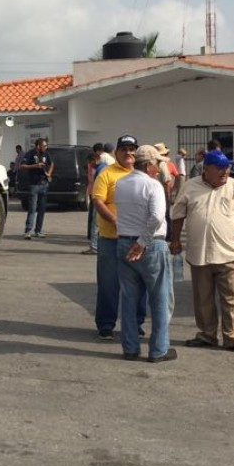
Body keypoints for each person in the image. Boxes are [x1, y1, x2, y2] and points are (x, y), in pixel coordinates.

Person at [170, 149, 234, 354]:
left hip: (228, 254)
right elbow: (177, 215)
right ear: (206, 169)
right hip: (199, 252)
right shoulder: (190, 186)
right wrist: (174, 240)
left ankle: (233, 338)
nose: (225, 171)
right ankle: (207, 335)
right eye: (220, 168)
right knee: (203, 299)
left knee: (231, 299)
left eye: (227, 167)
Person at [114, 145, 176, 362]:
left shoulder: (121, 183)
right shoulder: (153, 185)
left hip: (123, 242)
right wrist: (142, 242)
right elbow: (157, 217)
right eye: (157, 163)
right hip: (150, 245)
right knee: (160, 298)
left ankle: (130, 348)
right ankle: (159, 349)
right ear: (149, 165)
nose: (160, 167)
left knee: (129, 299)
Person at [92, 135, 147, 340]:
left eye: (132, 149)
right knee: (108, 284)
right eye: (124, 149)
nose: (129, 153)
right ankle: (106, 324)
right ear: (116, 153)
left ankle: (136, 323)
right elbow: (98, 201)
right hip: (110, 238)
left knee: (139, 283)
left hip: (136, 239)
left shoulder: (141, 175)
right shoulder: (106, 174)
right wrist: (116, 221)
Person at [20, 138, 53, 239]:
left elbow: (52, 163)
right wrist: (35, 166)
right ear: (38, 146)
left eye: (46, 146)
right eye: (44, 146)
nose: (46, 147)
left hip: (44, 184)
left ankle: (38, 231)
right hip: (33, 185)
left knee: (42, 209)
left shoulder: (46, 154)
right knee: (32, 209)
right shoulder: (30, 153)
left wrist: (49, 173)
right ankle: (28, 231)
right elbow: (22, 166)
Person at [82, 151, 107, 255]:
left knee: (95, 223)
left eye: (90, 162)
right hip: (104, 199)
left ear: (95, 160)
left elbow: (99, 186)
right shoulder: (105, 167)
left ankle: (94, 247)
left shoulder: (101, 169)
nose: (90, 165)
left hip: (100, 199)